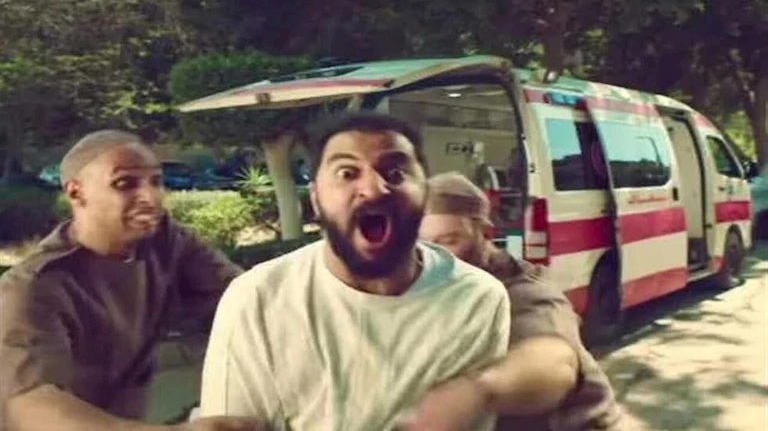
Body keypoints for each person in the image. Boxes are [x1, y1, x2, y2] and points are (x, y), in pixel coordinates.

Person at [198, 113, 511, 430]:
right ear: (317, 198)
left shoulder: (476, 298)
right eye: (347, 173)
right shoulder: (257, 298)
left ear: (425, 195)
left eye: (396, 172)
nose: (373, 189)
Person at [0, 130, 262, 431]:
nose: (150, 198)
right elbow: (29, 404)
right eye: (125, 183)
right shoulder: (33, 287)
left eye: (156, 181)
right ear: (76, 193)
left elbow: (245, 302)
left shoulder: (166, 244)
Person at [412, 171, 624, 431]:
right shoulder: (431, 284)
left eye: (448, 241)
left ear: (486, 233)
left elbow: (554, 361)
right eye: (421, 244)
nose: (433, 255)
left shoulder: (523, 289)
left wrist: (479, 391)